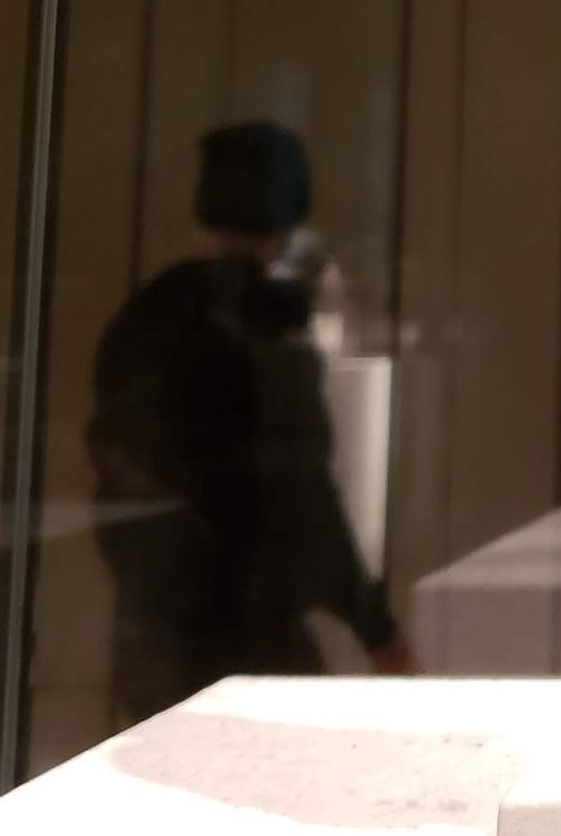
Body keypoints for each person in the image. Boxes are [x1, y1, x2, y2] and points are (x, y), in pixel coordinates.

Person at [87, 121, 412, 724]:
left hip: (156, 625)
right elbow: (300, 491)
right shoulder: (262, 325)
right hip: (242, 626)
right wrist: (374, 627)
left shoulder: (149, 311)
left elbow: (116, 473)